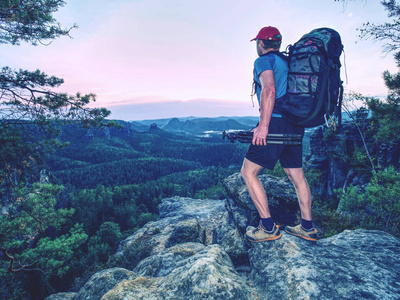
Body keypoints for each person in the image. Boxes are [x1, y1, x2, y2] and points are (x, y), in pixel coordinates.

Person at [241, 26, 317, 242]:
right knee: (296, 175)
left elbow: (269, 90)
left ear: (262, 43)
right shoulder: (287, 62)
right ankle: (307, 227)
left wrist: (263, 125)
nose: (257, 45)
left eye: (258, 42)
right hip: (294, 123)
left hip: (274, 123)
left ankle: (267, 228)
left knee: (248, 172)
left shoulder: (263, 61)